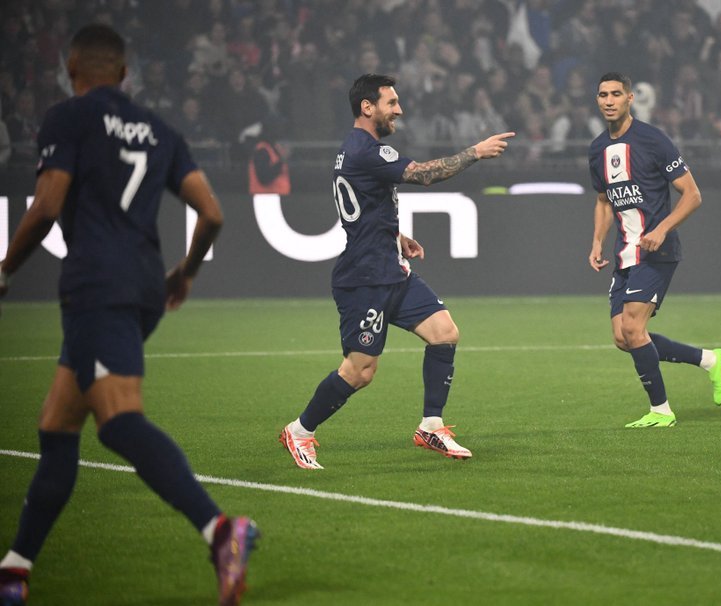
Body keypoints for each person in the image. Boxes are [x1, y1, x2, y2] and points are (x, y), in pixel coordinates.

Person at [0, 24, 258, 605]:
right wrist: (186, 272)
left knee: (117, 421)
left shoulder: (69, 117)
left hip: (97, 284)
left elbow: (47, 205)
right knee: (57, 426)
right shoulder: (160, 131)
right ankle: (15, 570)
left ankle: (221, 530)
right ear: (123, 72)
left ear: (72, 69)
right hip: (143, 284)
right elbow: (211, 212)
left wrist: (5, 268)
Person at [279, 73, 514, 469]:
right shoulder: (367, 150)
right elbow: (424, 174)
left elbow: (363, 206)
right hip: (365, 279)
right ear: (367, 107)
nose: (399, 110)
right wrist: (474, 152)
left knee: (444, 333)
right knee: (360, 371)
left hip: (391, 268)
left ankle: (431, 426)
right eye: (392, 103)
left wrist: (396, 235)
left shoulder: (351, 150)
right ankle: (300, 431)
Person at [587, 72, 721, 428]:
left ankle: (661, 411)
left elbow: (693, 194)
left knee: (634, 330)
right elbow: (605, 201)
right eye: (603, 94)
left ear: (630, 98)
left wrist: (662, 228)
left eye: (616, 94)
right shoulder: (597, 149)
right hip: (625, 253)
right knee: (624, 338)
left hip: (657, 252)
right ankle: (711, 360)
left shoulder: (653, 140)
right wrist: (596, 242)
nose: (609, 100)